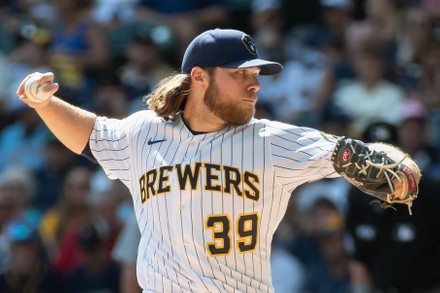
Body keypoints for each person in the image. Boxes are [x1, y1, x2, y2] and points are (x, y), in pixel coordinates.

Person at [16, 28, 420, 292]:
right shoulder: (143, 132)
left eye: (257, 74)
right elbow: (88, 134)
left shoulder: (271, 141)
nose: (254, 83)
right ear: (199, 77)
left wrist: (395, 167)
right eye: (240, 74)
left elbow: (355, 154)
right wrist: (45, 104)